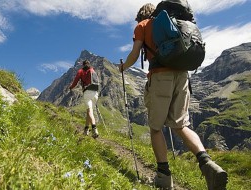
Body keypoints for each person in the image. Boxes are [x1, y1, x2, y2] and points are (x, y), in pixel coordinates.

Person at [119, 2, 228, 190]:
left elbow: (135, 53)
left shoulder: (143, 26)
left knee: (155, 128)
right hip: (183, 76)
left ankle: (164, 176)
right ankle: (207, 163)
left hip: (160, 76)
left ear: (140, 16)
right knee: (181, 125)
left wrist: (123, 67)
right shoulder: (176, 22)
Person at [69, 60, 99, 139]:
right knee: (88, 112)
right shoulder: (92, 70)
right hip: (95, 93)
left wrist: (71, 87)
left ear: (83, 65)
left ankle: (94, 128)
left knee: (90, 111)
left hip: (87, 92)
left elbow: (75, 82)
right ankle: (86, 130)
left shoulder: (81, 71)